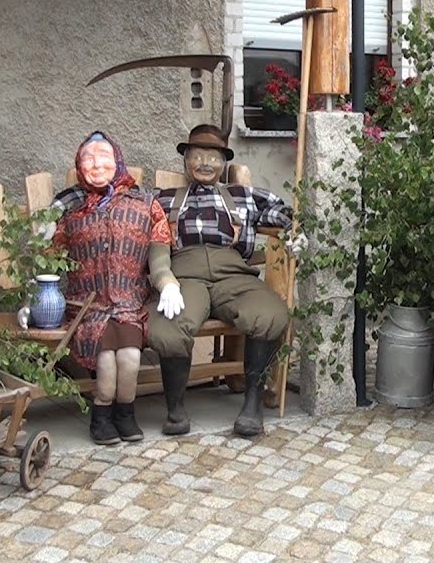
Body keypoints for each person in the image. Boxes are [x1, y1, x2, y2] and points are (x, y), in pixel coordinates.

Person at [146, 123, 303, 438]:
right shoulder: (163, 199)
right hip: (184, 274)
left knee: (269, 313)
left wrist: (294, 231)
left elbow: (283, 212)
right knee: (168, 325)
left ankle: (252, 403)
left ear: (224, 163)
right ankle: (176, 409)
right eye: (197, 156)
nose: (205, 164)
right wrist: (164, 279)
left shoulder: (241, 196)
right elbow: (126, 210)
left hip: (233, 273)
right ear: (185, 160)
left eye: (213, 157)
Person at [48, 131, 174, 445]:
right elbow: (49, 259)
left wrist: (168, 283)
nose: (96, 163)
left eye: (103, 156)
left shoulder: (146, 205)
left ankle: (125, 412)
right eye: (88, 157)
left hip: (129, 302)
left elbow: (159, 256)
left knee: (130, 357)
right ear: (79, 165)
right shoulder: (71, 211)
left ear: (117, 161)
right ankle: (101, 412)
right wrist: (37, 296)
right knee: (106, 362)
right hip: (88, 305)